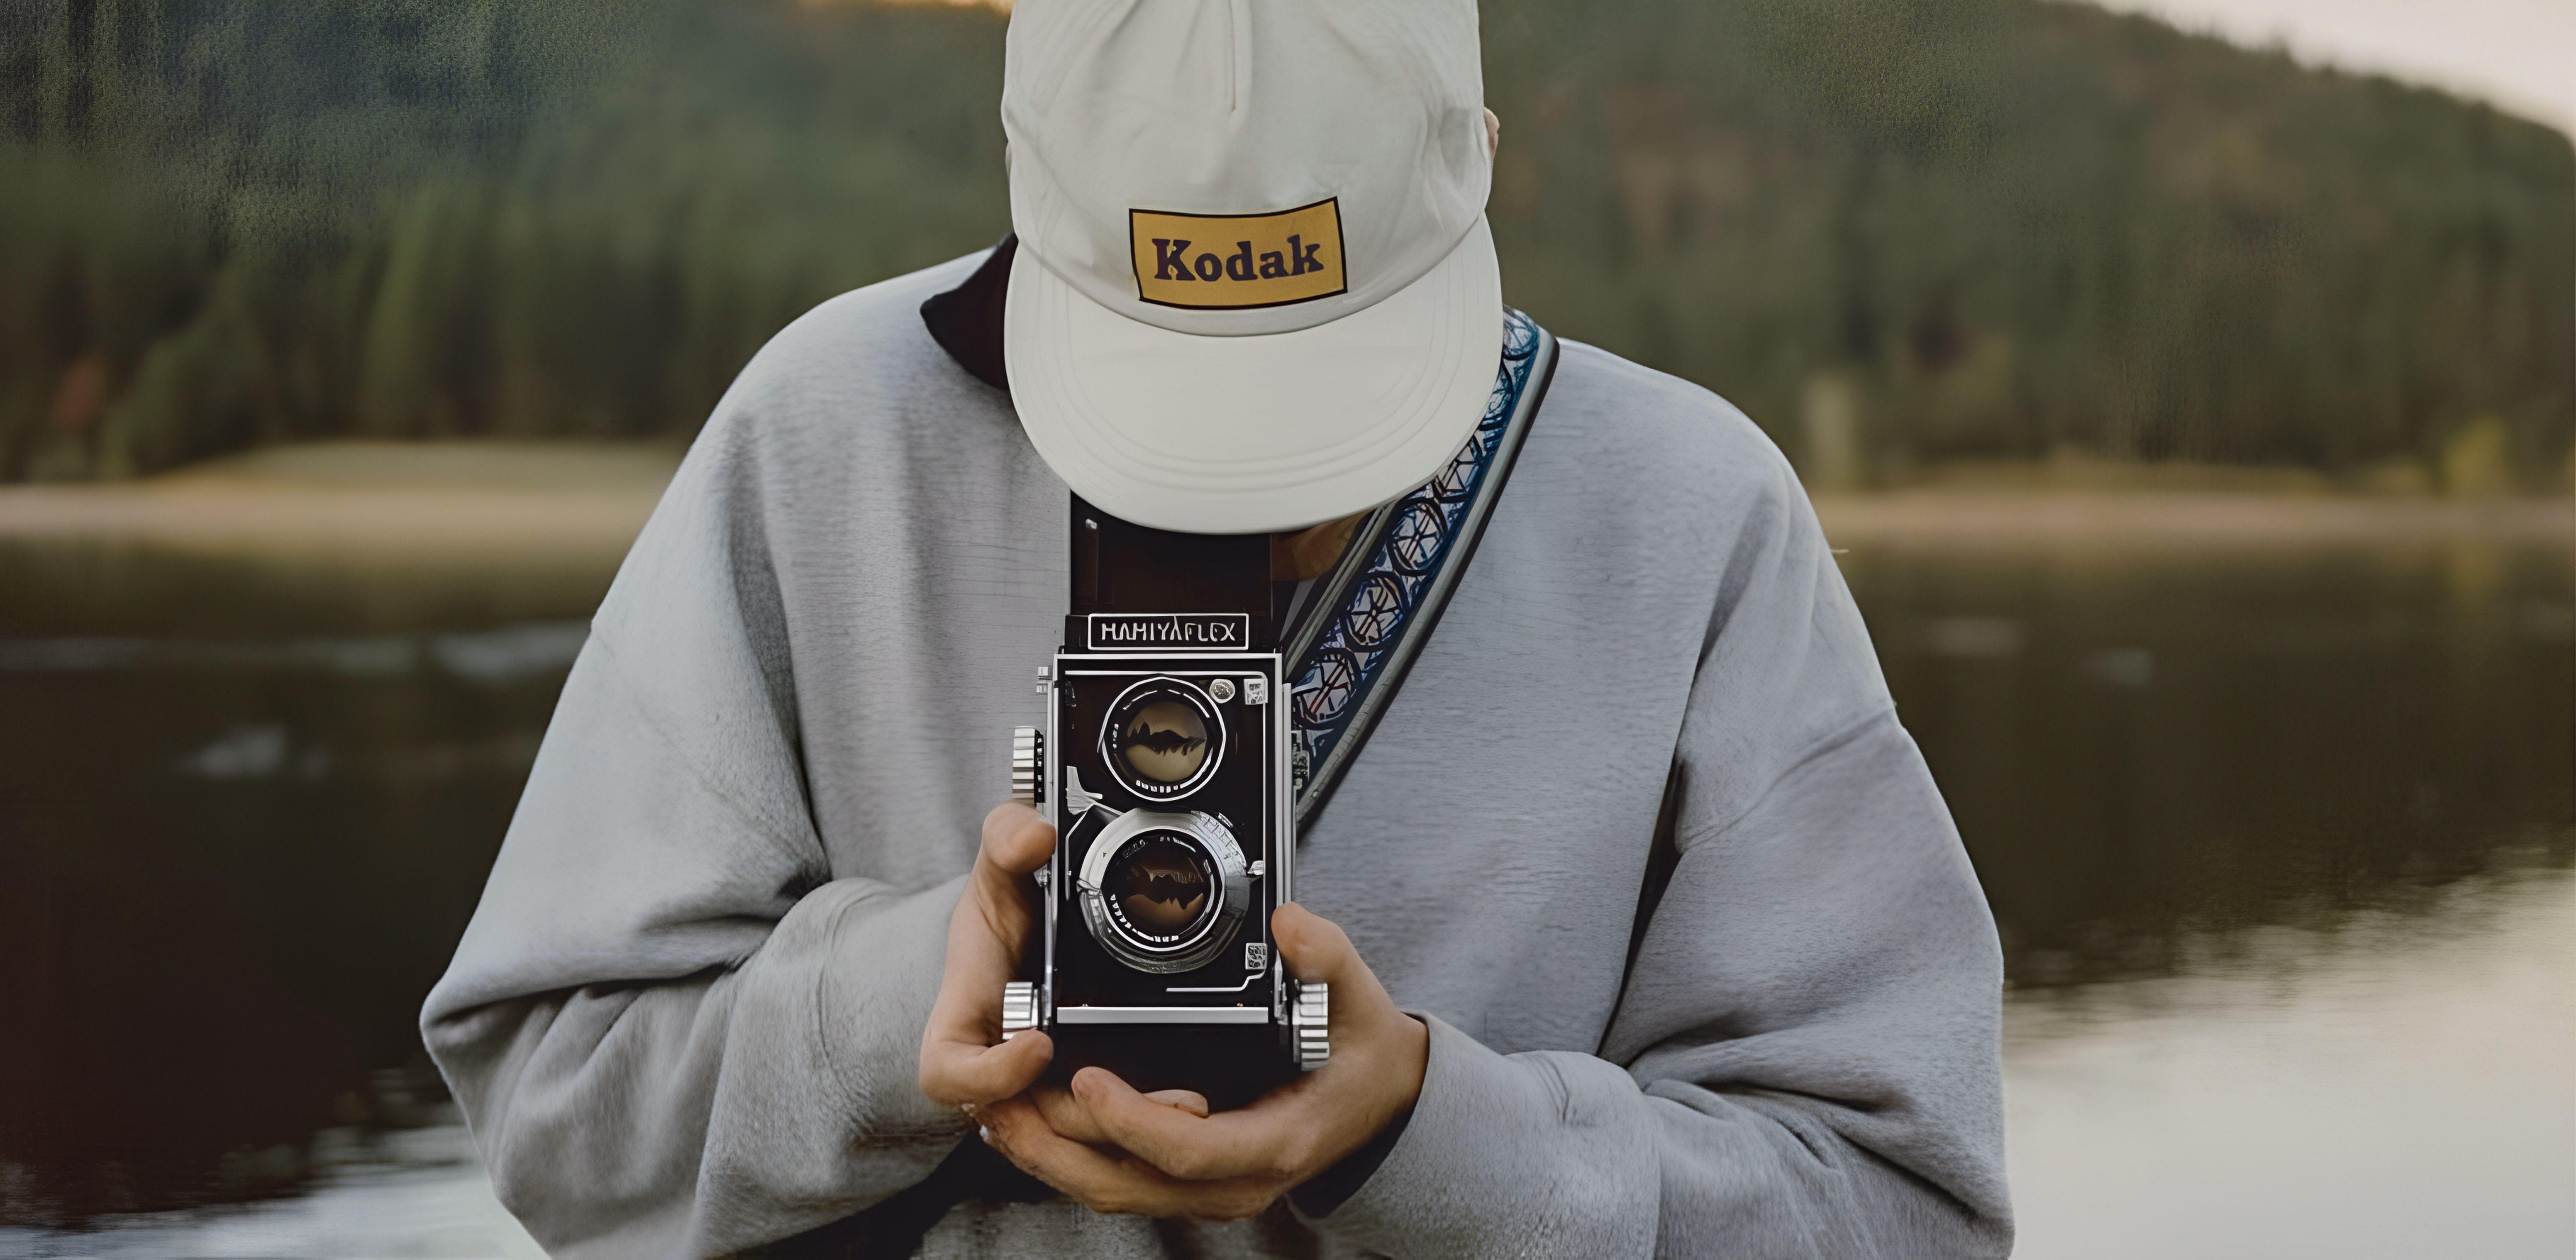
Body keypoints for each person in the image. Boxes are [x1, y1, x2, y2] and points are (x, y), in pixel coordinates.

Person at [420, 0, 2013, 1256]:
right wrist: (900, 1011)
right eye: (1175, 392)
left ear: (1481, 158)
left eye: (1326, 398)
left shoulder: (1696, 512)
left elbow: (1908, 1205)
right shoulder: (822, 440)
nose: (1253, 493)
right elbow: (553, 1115)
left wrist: (1429, 1130)